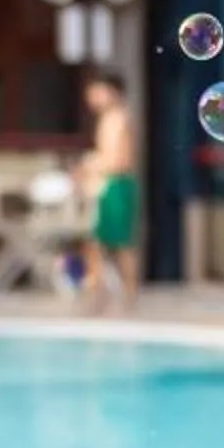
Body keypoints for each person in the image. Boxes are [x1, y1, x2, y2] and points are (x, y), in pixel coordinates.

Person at [70, 68, 141, 313]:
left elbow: (120, 160)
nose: (91, 98)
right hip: (109, 185)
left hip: (117, 185)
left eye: (97, 92)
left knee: (121, 243)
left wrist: (92, 165)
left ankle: (127, 294)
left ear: (111, 92)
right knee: (96, 242)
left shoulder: (119, 118)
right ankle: (99, 291)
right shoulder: (109, 119)